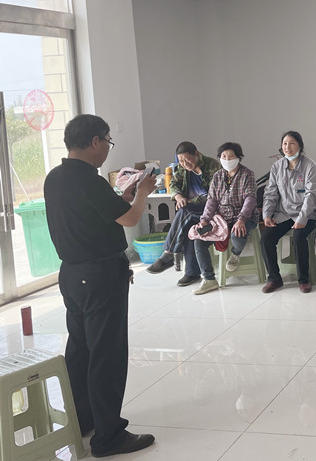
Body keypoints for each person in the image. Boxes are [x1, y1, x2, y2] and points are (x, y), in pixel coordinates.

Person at [44, 114, 156, 457]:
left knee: (81, 350)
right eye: (107, 141)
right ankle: (109, 437)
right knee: (107, 353)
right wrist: (142, 193)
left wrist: (123, 195)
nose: (108, 148)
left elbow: (95, 213)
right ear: (95, 141)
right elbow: (130, 218)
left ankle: (83, 419)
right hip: (99, 276)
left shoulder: (55, 177)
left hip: (72, 274)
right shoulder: (89, 180)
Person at [146, 141, 220, 288]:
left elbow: (214, 195)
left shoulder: (212, 166)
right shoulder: (182, 168)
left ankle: (169, 253)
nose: (185, 164)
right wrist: (179, 196)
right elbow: (173, 184)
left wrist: (188, 202)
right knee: (187, 225)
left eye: (187, 160)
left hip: (211, 211)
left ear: (196, 154)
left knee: (185, 211)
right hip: (191, 211)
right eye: (181, 161)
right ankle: (192, 273)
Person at [193, 142, 260, 295]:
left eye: (230, 156)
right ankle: (209, 279)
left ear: (238, 157)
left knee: (238, 233)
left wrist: (241, 219)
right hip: (222, 219)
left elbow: (250, 199)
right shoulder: (217, 176)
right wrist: (205, 219)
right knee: (199, 239)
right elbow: (212, 200)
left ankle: (235, 253)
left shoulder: (247, 174)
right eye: (223, 156)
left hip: (244, 217)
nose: (227, 159)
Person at [260, 131, 316, 293]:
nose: (288, 147)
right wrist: (267, 214)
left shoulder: (310, 166)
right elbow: (270, 193)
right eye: (285, 143)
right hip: (285, 213)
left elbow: (311, 195)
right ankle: (274, 278)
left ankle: (304, 280)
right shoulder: (277, 167)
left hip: (308, 213)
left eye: (292, 143)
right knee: (266, 238)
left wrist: (302, 219)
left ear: (300, 146)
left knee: (298, 237)